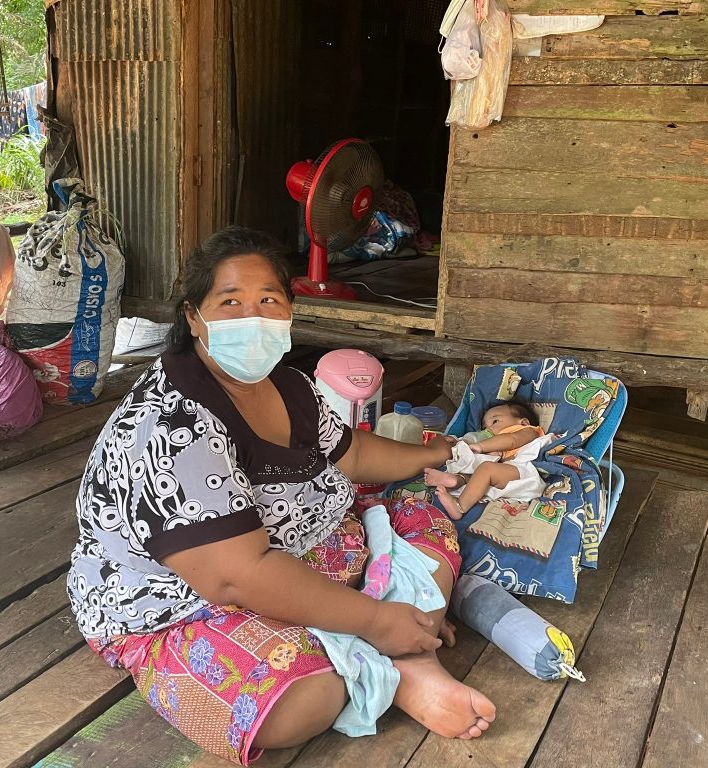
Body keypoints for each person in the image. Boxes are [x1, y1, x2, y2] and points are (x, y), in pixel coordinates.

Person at [67, 226, 495, 766]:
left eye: (268, 299)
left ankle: (391, 651)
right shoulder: (171, 423)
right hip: (186, 600)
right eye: (230, 302)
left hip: (303, 548)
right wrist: (374, 621)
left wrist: (434, 452)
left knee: (427, 517)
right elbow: (235, 577)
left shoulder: (290, 385)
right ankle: (402, 657)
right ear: (193, 317)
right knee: (297, 706)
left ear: (290, 311)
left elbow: (354, 454)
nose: (253, 317)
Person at [423, 402, 551, 519]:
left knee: (486, 468)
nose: (488, 429)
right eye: (485, 427)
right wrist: (460, 443)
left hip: (526, 475)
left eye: (495, 421)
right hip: (507, 475)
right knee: (480, 471)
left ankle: (459, 506)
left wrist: (481, 446)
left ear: (523, 422)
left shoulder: (528, 431)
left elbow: (512, 440)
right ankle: (457, 480)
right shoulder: (497, 444)